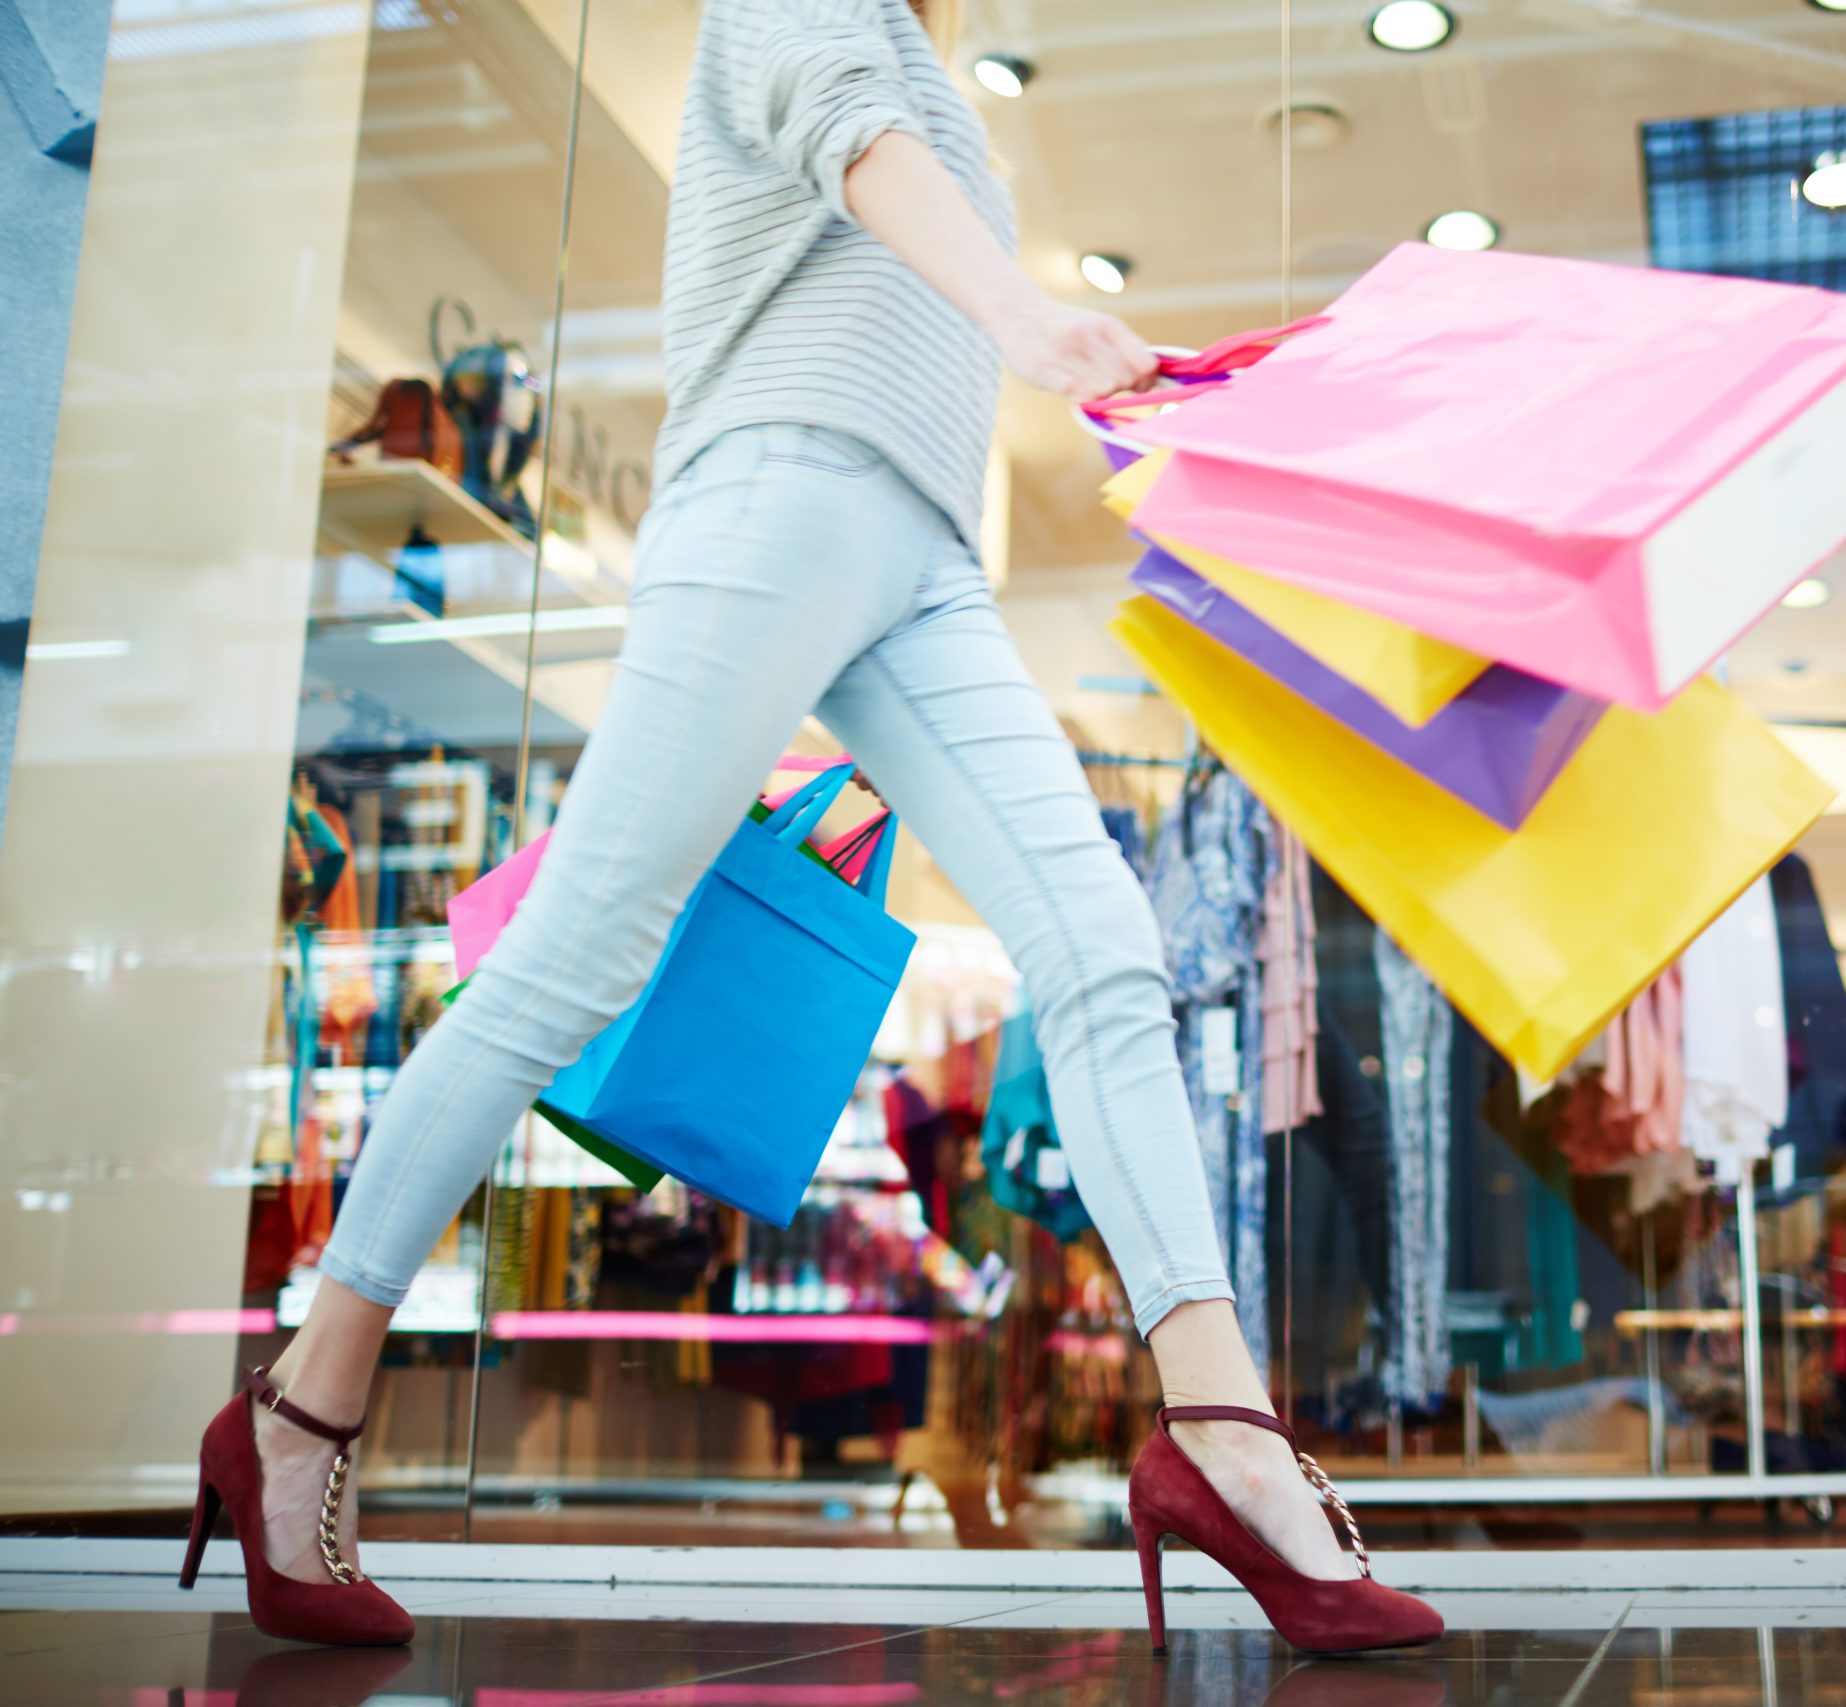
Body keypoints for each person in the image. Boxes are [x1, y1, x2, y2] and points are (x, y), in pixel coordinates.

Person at [178, 0, 1438, 1657]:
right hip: (775, 488)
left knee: (1107, 946)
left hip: (917, 554)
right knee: (573, 958)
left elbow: (891, 190)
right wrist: (1023, 317)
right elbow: (851, 136)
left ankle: (1222, 1432)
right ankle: (304, 1401)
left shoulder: (934, 61)